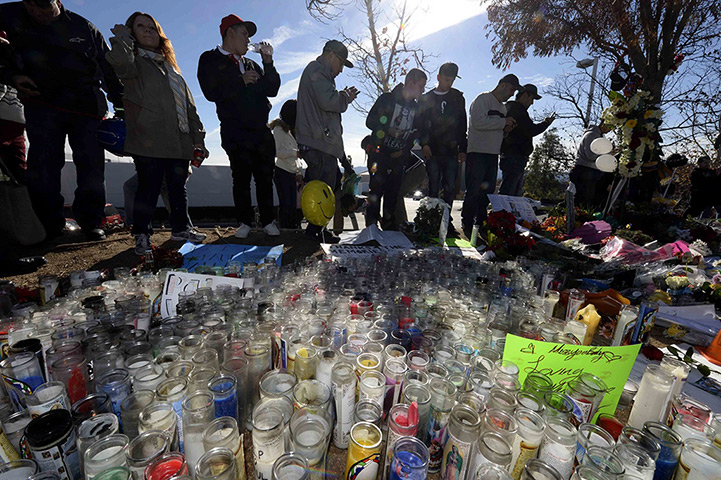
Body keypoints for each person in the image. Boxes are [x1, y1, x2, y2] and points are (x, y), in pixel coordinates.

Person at [0, 0, 124, 241]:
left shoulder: (84, 26)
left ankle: (91, 222)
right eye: (31, 5)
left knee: (91, 167)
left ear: (58, 1)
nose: (37, 12)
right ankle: (48, 225)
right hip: (42, 103)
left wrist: (120, 105)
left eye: (44, 6)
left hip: (86, 107)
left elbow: (108, 69)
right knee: (43, 166)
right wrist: (11, 75)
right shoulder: (7, 14)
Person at [107, 12, 208, 255]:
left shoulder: (171, 67)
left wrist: (198, 139)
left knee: (177, 187)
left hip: (179, 139)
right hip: (148, 138)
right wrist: (123, 40)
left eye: (152, 27)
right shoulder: (133, 61)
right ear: (132, 32)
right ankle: (142, 234)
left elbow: (189, 105)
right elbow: (119, 63)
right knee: (148, 188)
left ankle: (180, 229)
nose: (148, 31)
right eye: (141, 27)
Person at [197, 14, 281, 239]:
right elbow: (210, 92)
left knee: (265, 177)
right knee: (241, 177)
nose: (248, 39)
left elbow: (272, 89)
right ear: (230, 33)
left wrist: (268, 62)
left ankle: (268, 220)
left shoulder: (251, 63)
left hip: (261, 130)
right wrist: (240, 81)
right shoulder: (210, 59)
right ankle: (244, 221)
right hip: (235, 130)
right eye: (244, 33)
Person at [296, 40, 358, 243]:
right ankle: (314, 232)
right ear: (331, 55)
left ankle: (317, 230)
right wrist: (345, 97)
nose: (341, 69)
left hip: (320, 142)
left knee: (325, 186)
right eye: (341, 63)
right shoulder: (317, 71)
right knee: (321, 189)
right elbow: (329, 102)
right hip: (317, 142)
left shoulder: (320, 73)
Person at [365, 68, 427, 230]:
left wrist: (405, 150)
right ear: (411, 83)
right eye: (421, 86)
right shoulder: (388, 99)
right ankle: (370, 227)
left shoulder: (416, 108)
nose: (422, 90)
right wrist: (388, 130)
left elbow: (417, 134)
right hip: (379, 154)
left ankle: (389, 227)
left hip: (399, 157)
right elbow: (370, 121)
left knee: (393, 193)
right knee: (375, 191)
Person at [461, 74, 520, 237]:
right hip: (477, 152)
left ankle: (480, 222)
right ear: (502, 85)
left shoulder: (502, 108)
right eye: (511, 89)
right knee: (473, 189)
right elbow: (478, 123)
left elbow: (495, 129)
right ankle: (467, 221)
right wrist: (503, 122)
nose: (512, 94)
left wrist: (506, 130)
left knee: (487, 192)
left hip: (493, 154)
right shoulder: (483, 99)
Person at [418, 62, 467, 228]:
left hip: (452, 151)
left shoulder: (457, 97)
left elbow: (462, 124)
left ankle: (446, 221)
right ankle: (431, 219)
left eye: (452, 80)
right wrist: (424, 144)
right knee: (433, 186)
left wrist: (463, 148)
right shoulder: (426, 98)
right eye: (447, 79)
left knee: (449, 187)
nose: (449, 83)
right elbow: (421, 124)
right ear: (439, 77)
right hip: (432, 150)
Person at [499, 83, 555, 196]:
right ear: (525, 95)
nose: (532, 102)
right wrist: (546, 123)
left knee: (511, 190)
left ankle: (504, 213)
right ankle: (502, 213)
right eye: (532, 98)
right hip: (515, 156)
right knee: (510, 192)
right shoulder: (518, 110)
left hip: (511, 155)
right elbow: (531, 130)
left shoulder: (511, 108)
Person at [271, 99, 302, 229]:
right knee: (286, 205)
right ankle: (285, 229)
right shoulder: (278, 129)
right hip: (281, 171)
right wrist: (295, 153)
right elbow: (277, 151)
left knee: (293, 204)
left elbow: (295, 158)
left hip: (291, 173)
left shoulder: (290, 130)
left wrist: (299, 172)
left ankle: (292, 228)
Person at [570, 121, 614, 208]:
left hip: (590, 172)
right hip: (585, 171)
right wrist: (607, 154)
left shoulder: (597, 135)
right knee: (585, 200)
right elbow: (591, 155)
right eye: (610, 127)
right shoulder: (592, 135)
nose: (610, 130)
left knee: (590, 199)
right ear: (604, 124)